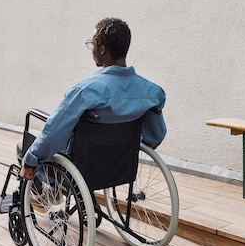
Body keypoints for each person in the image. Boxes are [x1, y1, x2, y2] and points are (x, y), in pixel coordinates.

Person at [20, 17, 166, 181]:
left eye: (93, 45)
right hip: (121, 166)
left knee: (24, 148)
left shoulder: (84, 91)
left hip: (80, 169)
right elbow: (155, 137)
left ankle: (45, 190)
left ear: (102, 49)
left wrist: (31, 159)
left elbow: (54, 132)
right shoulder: (153, 93)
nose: (92, 50)